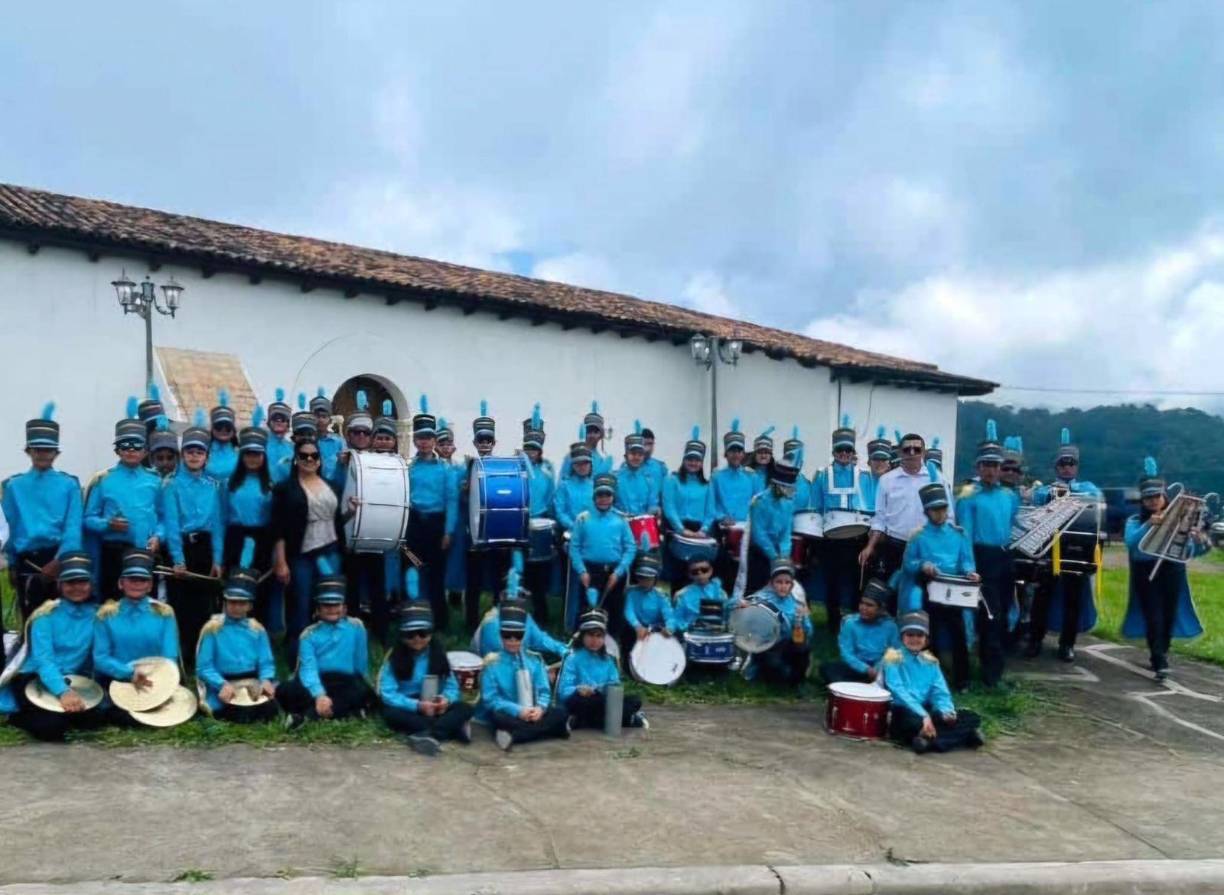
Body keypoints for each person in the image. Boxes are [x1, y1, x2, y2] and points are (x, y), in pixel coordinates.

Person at [1122, 458, 1210, 682]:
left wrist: (1199, 540)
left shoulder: (1180, 520)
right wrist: (1148, 525)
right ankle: (1159, 658)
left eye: (1156, 496)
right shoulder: (1134, 521)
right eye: (1148, 498)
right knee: (1153, 615)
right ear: (1142, 500)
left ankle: (1162, 651)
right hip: (1145, 572)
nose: (1153, 501)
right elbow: (1132, 544)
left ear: (1164, 497)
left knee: (1169, 614)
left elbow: (1191, 551)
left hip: (1172, 569)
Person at [1, 552, 103, 741]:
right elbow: (43, 660)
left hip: (72, 678)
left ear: (91, 584)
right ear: (60, 585)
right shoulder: (45, 615)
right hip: (35, 675)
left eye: (82, 582)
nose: (77, 587)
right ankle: (16, 717)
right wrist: (63, 692)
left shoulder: (98, 615)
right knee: (52, 728)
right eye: (70, 582)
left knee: (93, 721)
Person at [270, 435, 348, 665]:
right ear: (296, 459)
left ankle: (327, 655)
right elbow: (278, 528)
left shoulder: (332, 486)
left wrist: (351, 512)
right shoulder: (285, 489)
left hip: (330, 552)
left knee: (329, 602)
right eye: (304, 456)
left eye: (314, 455)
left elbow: (335, 521)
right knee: (301, 606)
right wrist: (281, 562)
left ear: (320, 459)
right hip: (301, 555)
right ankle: (298, 659)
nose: (309, 459)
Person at [3, 402, 83, 625]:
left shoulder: (69, 485)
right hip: (26, 561)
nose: (42, 454)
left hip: (58, 558)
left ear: (56, 453)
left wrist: (59, 560)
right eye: (37, 449)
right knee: (32, 620)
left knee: (62, 620)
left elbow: (73, 527)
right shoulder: (14, 486)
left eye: (48, 449)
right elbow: (9, 526)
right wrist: (12, 562)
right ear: (28, 451)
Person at [1026, 428, 1102, 662]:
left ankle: (1067, 644)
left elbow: (1096, 501)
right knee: (1041, 599)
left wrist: (1071, 494)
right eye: (1062, 463)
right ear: (1056, 466)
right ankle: (1035, 640)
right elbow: (1035, 500)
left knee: (1073, 601)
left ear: (1077, 466)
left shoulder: (1088, 488)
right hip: (1049, 551)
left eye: (1071, 463)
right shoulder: (1045, 489)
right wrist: (1050, 494)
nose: (1067, 468)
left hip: (1076, 552)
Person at [377, 573, 474, 753]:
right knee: (390, 713)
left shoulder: (439, 654)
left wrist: (445, 700)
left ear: (431, 632)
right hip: (410, 705)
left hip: (434, 704)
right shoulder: (393, 657)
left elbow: (452, 686)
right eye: (410, 634)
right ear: (402, 635)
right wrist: (417, 706)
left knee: (465, 708)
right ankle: (448, 729)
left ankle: (429, 734)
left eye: (423, 633)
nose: (417, 639)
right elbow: (387, 693)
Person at [955, 421, 1020, 688]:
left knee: (1005, 613)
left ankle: (996, 668)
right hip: (982, 558)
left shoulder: (1009, 495)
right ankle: (990, 676)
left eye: (995, 465)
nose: (991, 470)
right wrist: (970, 566)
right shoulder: (968, 496)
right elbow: (965, 534)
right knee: (990, 616)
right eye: (986, 465)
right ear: (978, 467)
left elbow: (1013, 525)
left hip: (1004, 557)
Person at [897, 483, 979, 691]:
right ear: (927, 511)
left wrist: (969, 572)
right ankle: (928, 679)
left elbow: (966, 560)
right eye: (935, 509)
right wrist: (922, 565)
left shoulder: (958, 534)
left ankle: (962, 680)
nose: (940, 513)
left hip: (954, 590)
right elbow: (908, 564)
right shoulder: (918, 535)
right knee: (928, 634)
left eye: (943, 509)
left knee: (958, 634)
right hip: (928, 588)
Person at [860, 433, 952, 609]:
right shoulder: (887, 480)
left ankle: (920, 627)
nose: (911, 453)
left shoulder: (937, 479)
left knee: (926, 596)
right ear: (900, 452)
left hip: (926, 547)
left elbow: (950, 516)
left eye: (916, 449)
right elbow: (879, 518)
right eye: (907, 449)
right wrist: (870, 547)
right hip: (895, 546)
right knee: (893, 595)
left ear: (923, 452)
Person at [83, 400, 164, 600]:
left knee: (146, 604)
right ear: (117, 450)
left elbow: (165, 517)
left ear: (145, 451)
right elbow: (88, 519)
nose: (130, 450)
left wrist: (158, 537)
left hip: (145, 552)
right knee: (111, 605)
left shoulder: (155, 481)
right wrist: (107, 524)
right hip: (114, 553)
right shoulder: (103, 480)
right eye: (125, 445)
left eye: (136, 446)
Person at [161, 413, 225, 666]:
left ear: (206, 456)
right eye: (189, 451)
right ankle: (183, 655)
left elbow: (218, 525)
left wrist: (217, 558)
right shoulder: (171, 485)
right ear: (182, 455)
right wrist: (177, 559)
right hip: (182, 547)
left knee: (206, 603)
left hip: (206, 548)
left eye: (200, 452)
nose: (194, 456)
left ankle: (205, 654)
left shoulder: (214, 486)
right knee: (181, 604)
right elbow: (172, 524)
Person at [277, 572, 374, 725]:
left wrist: (364, 683)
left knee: (360, 693)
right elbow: (308, 668)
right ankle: (344, 710)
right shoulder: (308, 635)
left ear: (344, 607)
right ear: (318, 609)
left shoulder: (356, 627)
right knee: (284, 690)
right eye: (326, 605)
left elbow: (360, 661)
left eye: (336, 604)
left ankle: (306, 717)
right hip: (317, 679)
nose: (332, 609)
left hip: (345, 681)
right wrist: (319, 695)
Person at [195, 551, 279, 724]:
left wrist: (266, 680)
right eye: (232, 602)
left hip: (252, 681)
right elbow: (204, 667)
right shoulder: (212, 629)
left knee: (270, 709)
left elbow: (266, 662)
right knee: (224, 711)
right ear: (225, 602)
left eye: (242, 603)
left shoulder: (257, 629)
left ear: (250, 605)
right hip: (224, 681)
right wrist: (221, 684)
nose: (236, 607)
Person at [882, 611, 984, 754]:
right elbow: (898, 691)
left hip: (928, 711)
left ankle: (926, 741)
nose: (914, 639)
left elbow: (940, 691)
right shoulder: (892, 658)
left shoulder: (931, 662)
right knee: (912, 723)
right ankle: (962, 737)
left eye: (919, 635)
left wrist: (946, 712)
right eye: (910, 635)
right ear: (902, 637)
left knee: (971, 717)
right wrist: (924, 715)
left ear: (926, 639)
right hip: (904, 710)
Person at [92, 549, 179, 708]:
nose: (137, 584)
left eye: (142, 580)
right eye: (131, 579)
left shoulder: (164, 614)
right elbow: (100, 658)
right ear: (121, 583)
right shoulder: (105, 615)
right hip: (118, 680)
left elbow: (170, 656)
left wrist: (163, 681)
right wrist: (129, 673)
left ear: (150, 585)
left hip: (155, 681)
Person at [478, 601, 570, 751]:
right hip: (509, 713)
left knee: (561, 712)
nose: (513, 641)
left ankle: (515, 736)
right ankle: (550, 731)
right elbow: (491, 699)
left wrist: (540, 709)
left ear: (523, 636)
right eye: (507, 636)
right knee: (497, 717)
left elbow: (544, 691)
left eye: (518, 636)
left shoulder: (534, 660)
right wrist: (517, 711)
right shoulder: (492, 663)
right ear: (501, 636)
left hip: (533, 711)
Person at [811, 416, 872, 634]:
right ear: (834, 451)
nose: (844, 454)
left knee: (856, 582)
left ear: (852, 451)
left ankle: (856, 622)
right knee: (832, 583)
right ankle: (833, 625)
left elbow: (869, 506)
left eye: (848, 450)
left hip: (856, 539)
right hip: (831, 539)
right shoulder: (822, 475)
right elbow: (815, 508)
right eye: (840, 450)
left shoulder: (864, 476)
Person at [224, 408, 279, 633]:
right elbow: (221, 519)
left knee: (260, 590)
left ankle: (258, 635)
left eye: (257, 454)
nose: (253, 458)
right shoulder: (230, 483)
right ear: (242, 455)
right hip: (235, 539)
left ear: (264, 455)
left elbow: (275, 521)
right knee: (235, 589)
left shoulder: (271, 485)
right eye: (248, 453)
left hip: (262, 540)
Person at [406, 396, 455, 628]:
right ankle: (414, 617)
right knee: (413, 569)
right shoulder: (409, 467)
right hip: (415, 524)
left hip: (437, 525)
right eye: (420, 438)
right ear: (414, 440)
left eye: (428, 437)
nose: (424, 442)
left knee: (436, 574)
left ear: (435, 440)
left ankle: (440, 621)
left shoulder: (445, 469)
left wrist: (448, 531)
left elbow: (452, 500)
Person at [462, 401, 512, 632]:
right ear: (475, 442)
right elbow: (461, 501)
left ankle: (498, 619)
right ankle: (471, 624)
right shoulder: (467, 466)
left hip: (496, 531)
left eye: (488, 440)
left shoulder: (502, 466)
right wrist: (464, 491)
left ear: (494, 443)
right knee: (473, 581)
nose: (484, 444)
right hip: (474, 531)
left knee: (499, 580)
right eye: (480, 440)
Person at [558, 607, 648, 729]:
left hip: (602, 699)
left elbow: (615, 685)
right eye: (590, 635)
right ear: (582, 636)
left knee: (634, 700)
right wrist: (578, 689)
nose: (594, 640)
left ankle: (582, 721)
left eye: (599, 636)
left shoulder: (608, 659)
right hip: (582, 700)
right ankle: (627, 719)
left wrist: (604, 689)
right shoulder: (572, 658)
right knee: (585, 703)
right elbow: (563, 691)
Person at [567, 473, 636, 633]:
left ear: (613, 496)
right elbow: (574, 547)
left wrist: (618, 572)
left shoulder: (621, 520)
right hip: (590, 571)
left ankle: (611, 641)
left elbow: (630, 547)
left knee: (614, 609)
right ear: (594, 496)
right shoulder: (583, 519)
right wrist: (582, 571)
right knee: (587, 609)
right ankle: (582, 640)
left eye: (607, 495)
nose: (603, 499)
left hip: (614, 571)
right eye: (600, 495)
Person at [476, 554, 569, 659]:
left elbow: (540, 639)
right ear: (501, 596)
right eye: (517, 595)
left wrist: (561, 649)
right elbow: (506, 654)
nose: (521, 599)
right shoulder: (491, 623)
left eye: (522, 595)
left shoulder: (523, 615)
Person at [740, 558, 812, 687]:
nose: (783, 586)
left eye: (787, 582)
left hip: (787, 645)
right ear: (772, 583)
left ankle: (798, 682)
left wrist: (803, 620)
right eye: (779, 582)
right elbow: (744, 618)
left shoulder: (796, 602)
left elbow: (809, 632)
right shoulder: (760, 598)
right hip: (766, 647)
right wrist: (743, 606)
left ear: (791, 585)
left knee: (803, 648)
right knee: (779, 671)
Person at [819, 579, 900, 685]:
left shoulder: (890, 626)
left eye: (869, 605)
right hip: (856, 667)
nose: (863, 608)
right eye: (862, 603)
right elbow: (846, 653)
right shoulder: (850, 623)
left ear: (881, 609)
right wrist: (865, 669)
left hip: (880, 668)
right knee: (827, 669)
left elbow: (894, 652)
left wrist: (878, 668)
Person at [662, 427, 715, 582]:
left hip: (700, 533)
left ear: (701, 463)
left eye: (697, 460)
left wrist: (703, 531)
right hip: (677, 531)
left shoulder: (707, 485)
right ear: (684, 460)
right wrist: (681, 529)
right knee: (678, 576)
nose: (693, 463)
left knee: (699, 576)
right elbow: (669, 507)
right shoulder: (672, 480)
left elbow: (710, 511)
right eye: (690, 459)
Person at [710, 418, 755, 593]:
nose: (736, 455)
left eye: (739, 451)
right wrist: (721, 517)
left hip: (747, 533)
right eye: (732, 451)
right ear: (726, 454)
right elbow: (711, 504)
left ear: (743, 454)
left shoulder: (751, 477)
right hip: (724, 531)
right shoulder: (717, 476)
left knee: (746, 576)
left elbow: (758, 504)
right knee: (726, 575)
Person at [743, 458, 797, 596]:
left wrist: (784, 555)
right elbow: (758, 533)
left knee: (781, 590)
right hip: (759, 552)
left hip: (779, 553)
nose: (787, 490)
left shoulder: (788, 503)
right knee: (756, 591)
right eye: (784, 486)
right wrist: (774, 556)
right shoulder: (759, 501)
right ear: (775, 484)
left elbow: (786, 533)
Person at [522, 406, 556, 621]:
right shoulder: (517, 467)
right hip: (520, 522)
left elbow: (551, 497)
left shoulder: (547, 470)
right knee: (521, 569)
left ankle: (541, 613)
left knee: (540, 571)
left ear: (540, 450)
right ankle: (520, 612)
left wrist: (551, 523)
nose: (531, 453)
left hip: (541, 521)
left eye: (534, 449)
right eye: (528, 449)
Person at [623, 541, 674, 660]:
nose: (644, 581)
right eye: (641, 577)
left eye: (648, 578)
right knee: (627, 635)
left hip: (656, 630)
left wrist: (669, 627)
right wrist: (637, 626)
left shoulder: (661, 596)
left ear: (655, 578)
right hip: (636, 629)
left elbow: (669, 614)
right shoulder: (631, 593)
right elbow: (628, 612)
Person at [672, 555, 730, 634]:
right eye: (695, 572)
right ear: (689, 574)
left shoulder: (721, 593)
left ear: (711, 571)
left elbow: (727, 617)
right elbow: (677, 620)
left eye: (704, 570)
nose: (700, 574)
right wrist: (690, 627)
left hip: (716, 634)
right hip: (691, 635)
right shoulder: (682, 595)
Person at [615, 422, 660, 518]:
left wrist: (652, 511)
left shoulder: (649, 480)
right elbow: (608, 505)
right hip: (620, 523)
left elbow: (653, 504)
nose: (636, 457)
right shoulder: (615, 479)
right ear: (626, 455)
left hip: (643, 524)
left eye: (640, 454)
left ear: (643, 456)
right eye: (633, 453)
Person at [559, 401, 613, 480]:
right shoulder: (571, 456)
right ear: (584, 432)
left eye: (596, 432)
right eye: (589, 431)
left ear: (601, 435)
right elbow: (562, 481)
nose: (592, 435)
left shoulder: (602, 460)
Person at [554, 438, 595, 535]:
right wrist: (573, 526)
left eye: (585, 463)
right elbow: (560, 512)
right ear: (573, 465)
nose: (582, 467)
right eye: (578, 464)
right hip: (571, 532)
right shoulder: (564, 486)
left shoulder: (595, 486)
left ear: (590, 464)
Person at [203, 390, 239, 483]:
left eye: (228, 427)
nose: (223, 430)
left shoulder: (241, 452)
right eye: (219, 426)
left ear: (233, 430)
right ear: (212, 429)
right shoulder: (201, 451)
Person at [858, 426, 893, 515]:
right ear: (869, 462)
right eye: (876, 459)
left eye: (883, 459)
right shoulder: (859, 479)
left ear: (888, 463)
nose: (879, 463)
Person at [263, 389, 295, 484]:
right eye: (275, 418)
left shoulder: (292, 448)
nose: (279, 421)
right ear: (269, 422)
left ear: (288, 424)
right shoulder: (261, 444)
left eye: (283, 419)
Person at [640, 426, 668, 505]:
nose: (648, 448)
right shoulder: (629, 467)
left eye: (650, 444)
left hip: (655, 510)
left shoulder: (660, 467)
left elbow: (665, 494)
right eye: (645, 444)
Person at [747, 426, 776, 492]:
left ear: (771, 455)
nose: (763, 455)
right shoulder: (747, 473)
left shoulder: (776, 474)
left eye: (766, 452)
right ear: (755, 454)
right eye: (760, 452)